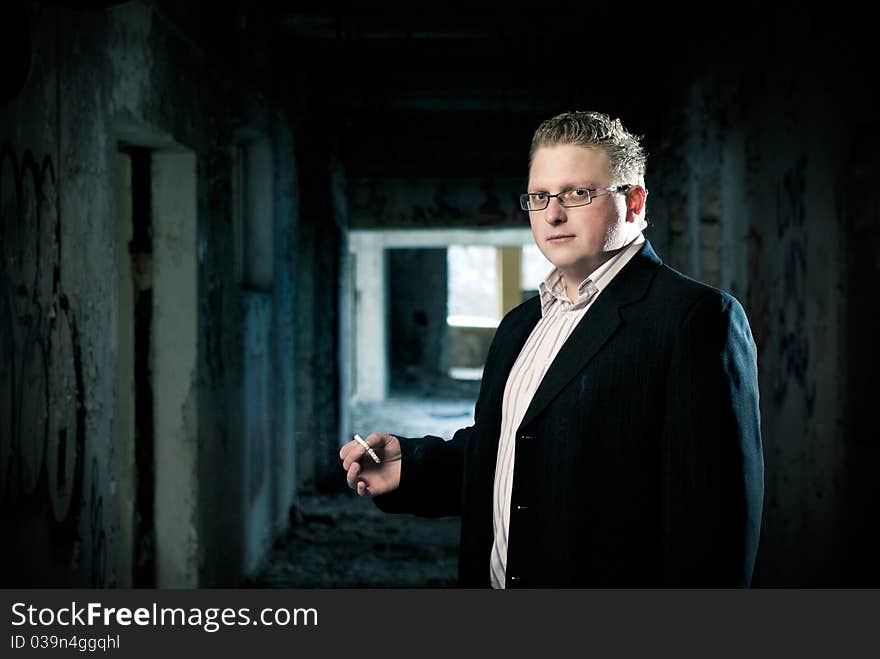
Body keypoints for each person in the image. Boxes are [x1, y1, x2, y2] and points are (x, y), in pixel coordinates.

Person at [339, 110, 764, 588]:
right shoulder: (521, 325)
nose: (553, 213)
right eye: (540, 197)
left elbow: (715, 527)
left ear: (636, 202)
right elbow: (513, 455)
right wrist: (412, 469)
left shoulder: (696, 319)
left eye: (577, 193)